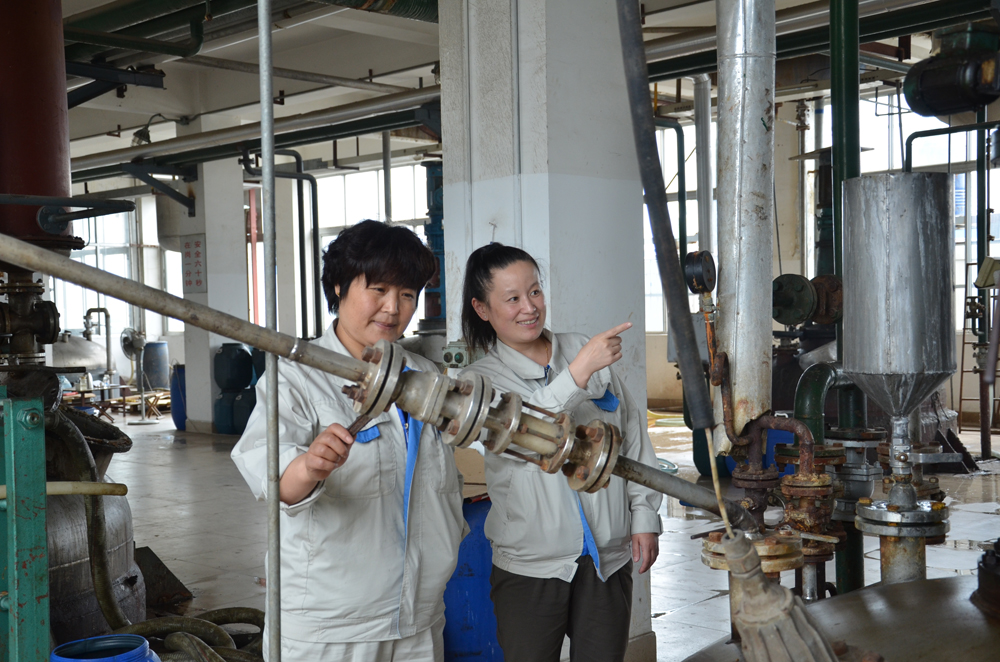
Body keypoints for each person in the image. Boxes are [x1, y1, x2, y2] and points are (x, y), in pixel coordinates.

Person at [232, 220, 466, 661]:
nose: (393, 308)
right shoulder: (297, 377)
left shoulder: (426, 377)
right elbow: (274, 478)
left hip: (418, 616)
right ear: (339, 286)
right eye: (378, 289)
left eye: (407, 294)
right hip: (333, 625)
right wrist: (310, 466)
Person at [460, 243, 662, 662]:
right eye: (512, 298)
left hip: (606, 559)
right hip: (530, 567)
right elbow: (522, 433)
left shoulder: (581, 348)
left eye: (535, 291)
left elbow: (632, 437)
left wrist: (644, 516)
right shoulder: (479, 382)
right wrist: (577, 373)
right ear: (482, 308)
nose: (529, 307)